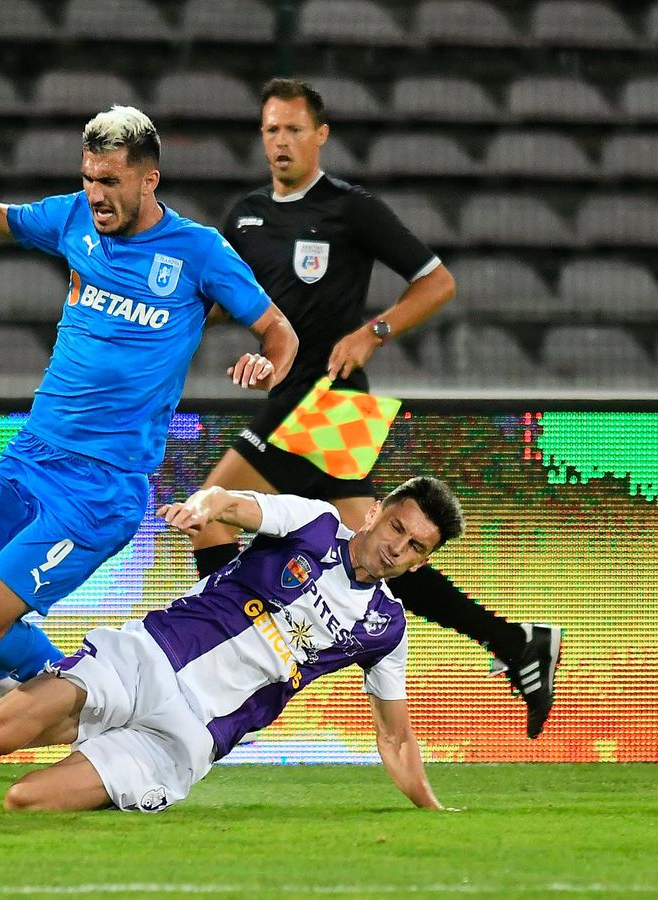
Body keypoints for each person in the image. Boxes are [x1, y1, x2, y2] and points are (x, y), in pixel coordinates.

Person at [191, 78, 561, 738]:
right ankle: (516, 642)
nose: (281, 141)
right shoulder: (246, 215)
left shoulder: (350, 209)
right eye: (271, 130)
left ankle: (226, 654)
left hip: (330, 398)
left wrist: (373, 333)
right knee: (376, 549)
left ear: (320, 135)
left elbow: (437, 282)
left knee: (209, 514)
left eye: (294, 130)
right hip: (303, 401)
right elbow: (227, 297)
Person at [0, 476, 464, 814]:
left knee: (24, 802)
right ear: (376, 514)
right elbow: (238, 505)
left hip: (187, 740)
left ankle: (38, 694)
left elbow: (396, 740)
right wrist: (207, 505)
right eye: (396, 527)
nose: (396, 547)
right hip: (143, 659)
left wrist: (431, 811)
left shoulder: (386, 630)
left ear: (422, 561)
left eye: (414, 547)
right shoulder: (311, 525)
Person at [0, 107, 299, 698]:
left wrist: (266, 364)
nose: (96, 194)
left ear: (148, 180)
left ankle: (93, 703)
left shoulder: (198, 251)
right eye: (89, 177)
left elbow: (279, 331)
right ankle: (24, 672)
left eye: (109, 181)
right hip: (31, 456)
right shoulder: (73, 218)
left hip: (100, 487)